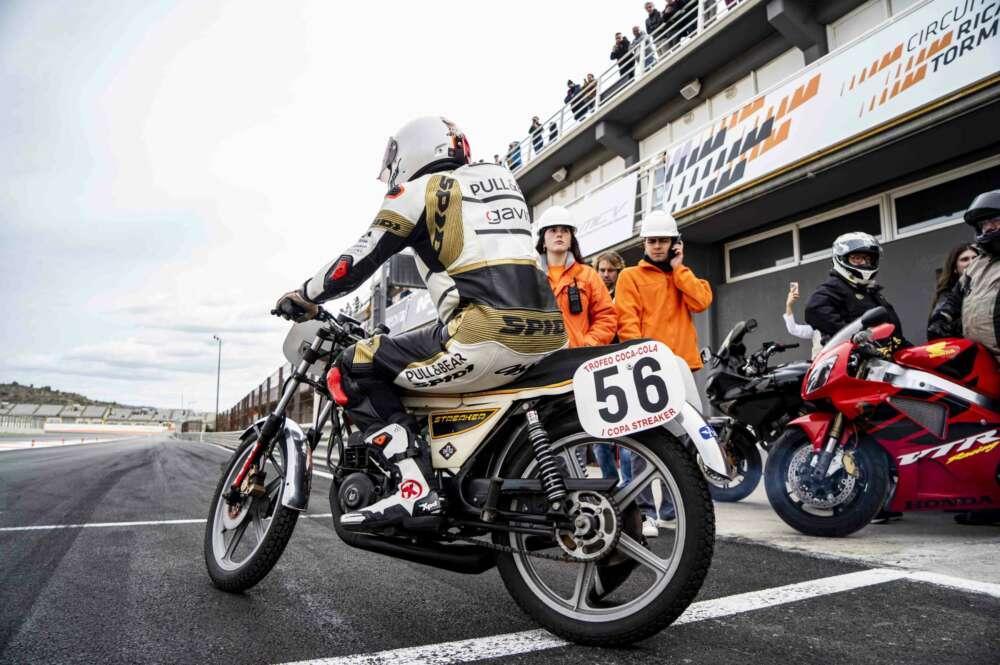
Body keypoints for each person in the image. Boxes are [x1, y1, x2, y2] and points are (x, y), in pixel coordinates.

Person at [273, 116, 567, 532]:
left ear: (413, 152)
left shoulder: (417, 192)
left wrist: (305, 294)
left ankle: (415, 487)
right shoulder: (501, 179)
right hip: (547, 334)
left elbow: (354, 264)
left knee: (352, 367)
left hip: (483, 334)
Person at [616, 210, 713, 535]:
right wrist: (638, 357)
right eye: (652, 240)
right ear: (645, 242)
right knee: (645, 440)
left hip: (682, 366)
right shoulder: (630, 276)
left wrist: (678, 269)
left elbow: (701, 301)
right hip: (648, 367)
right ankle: (645, 513)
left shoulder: (683, 276)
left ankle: (673, 509)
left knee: (685, 440)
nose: (657, 246)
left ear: (675, 244)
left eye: (664, 241)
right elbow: (626, 321)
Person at [928, 191, 1000, 526]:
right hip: (980, 359)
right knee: (978, 430)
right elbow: (953, 299)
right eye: (984, 222)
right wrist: (941, 320)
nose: (988, 227)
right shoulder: (980, 263)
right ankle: (987, 501)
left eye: (994, 220)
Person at [535, 206, 618, 349]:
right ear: (543, 240)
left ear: (571, 240)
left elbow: (606, 317)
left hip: (579, 359)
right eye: (553, 230)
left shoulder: (588, 275)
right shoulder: (531, 277)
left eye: (565, 231)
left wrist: (588, 344)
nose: (559, 235)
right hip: (541, 360)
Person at [804, 232, 904, 345]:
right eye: (856, 258)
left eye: (867, 258)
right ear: (842, 258)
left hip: (884, 356)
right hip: (855, 358)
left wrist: (907, 349)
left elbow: (893, 330)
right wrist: (853, 337)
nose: (864, 263)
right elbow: (814, 310)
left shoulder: (870, 291)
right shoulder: (835, 287)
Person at [929, 243, 979, 314]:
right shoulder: (948, 297)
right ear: (955, 268)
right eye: (965, 259)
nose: (972, 262)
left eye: (975, 258)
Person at [783, 282, 822, 358]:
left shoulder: (841, 323)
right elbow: (793, 329)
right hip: (819, 366)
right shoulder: (815, 329)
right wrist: (789, 305)